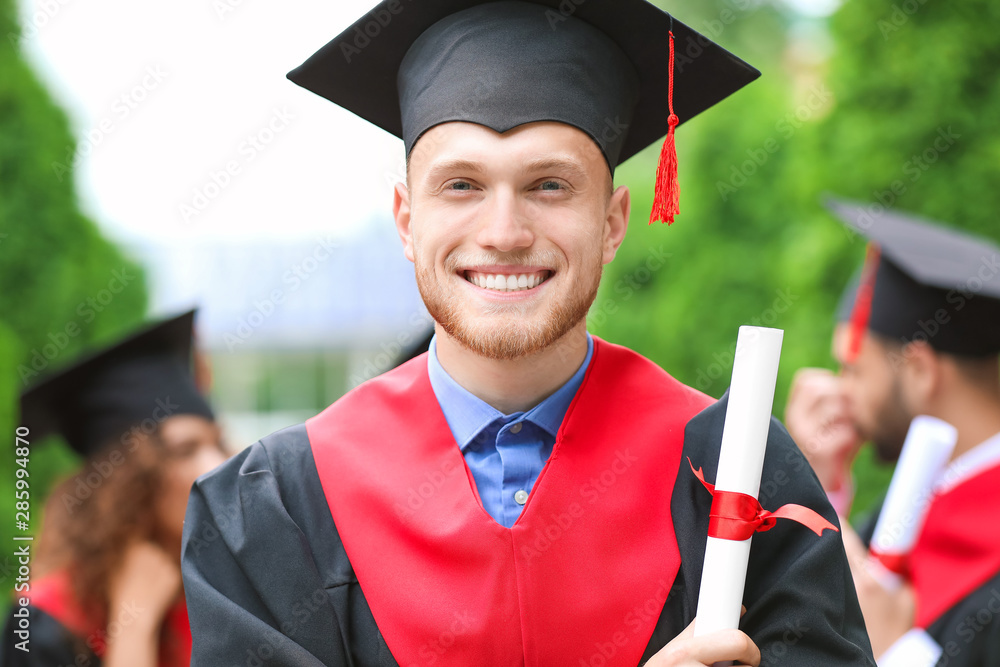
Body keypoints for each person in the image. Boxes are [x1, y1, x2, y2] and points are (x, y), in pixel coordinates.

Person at [180, 3, 875, 665]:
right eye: (461, 185)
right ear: (405, 219)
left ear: (611, 222)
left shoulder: (740, 476)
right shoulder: (273, 511)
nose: (505, 233)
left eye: (549, 185)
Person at [786, 198, 1000, 665]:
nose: (841, 393)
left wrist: (898, 651)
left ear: (920, 371)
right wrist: (818, 486)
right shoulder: (918, 505)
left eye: (854, 370)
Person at [3, 310, 228, 667]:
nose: (219, 466)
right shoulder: (45, 626)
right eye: (186, 450)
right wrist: (134, 627)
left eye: (217, 444)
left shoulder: (226, 591)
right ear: (126, 483)